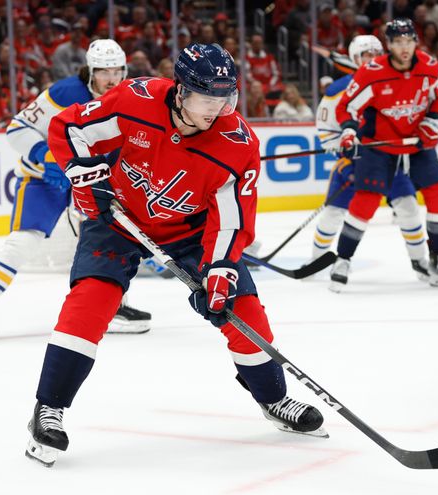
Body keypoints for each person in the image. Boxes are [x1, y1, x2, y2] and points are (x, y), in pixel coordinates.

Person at [24, 43, 325, 467]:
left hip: (192, 231)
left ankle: (274, 399)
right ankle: (49, 408)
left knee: (244, 309)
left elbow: (232, 218)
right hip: (119, 220)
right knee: (91, 301)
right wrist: (84, 172)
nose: (216, 109)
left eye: (225, 98)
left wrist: (221, 267)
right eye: (207, 98)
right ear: (181, 92)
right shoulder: (136, 99)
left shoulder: (237, 143)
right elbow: (72, 127)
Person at [0, 40, 151, 343]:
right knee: (23, 242)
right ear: (90, 71)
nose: (112, 78)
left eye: (117, 71)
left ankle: (112, 307)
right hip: (46, 178)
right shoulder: (65, 93)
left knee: (111, 239)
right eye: (104, 72)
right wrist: (45, 155)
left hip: (88, 181)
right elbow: (16, 129)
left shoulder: (126, 96)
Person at [330, 18, 438, 292]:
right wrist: (348, 132)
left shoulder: (428, 66)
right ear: (389, 45)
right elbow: (347, 107)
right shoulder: (372, 72)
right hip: (379, 144)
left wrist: (433, 121)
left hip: (416, 142)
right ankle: (342, 259)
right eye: (398, 42)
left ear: (416, 42)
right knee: (366, 201)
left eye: (409, 41)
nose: (405, 48)